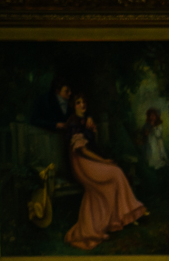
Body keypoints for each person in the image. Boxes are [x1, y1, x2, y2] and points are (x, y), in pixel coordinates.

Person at [62, 94, 149, 250]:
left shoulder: (84, 120)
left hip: (88, 162)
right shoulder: (74, 122)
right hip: (81, 164)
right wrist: (103, 161)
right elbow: (82, 151)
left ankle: (121, 217)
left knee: (115, 175)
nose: (82, 105)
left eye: (84, 102)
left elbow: (92, 146)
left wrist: (91, 129)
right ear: (72, 106)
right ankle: (129, 212)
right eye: (78, 102)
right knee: (115, 172)